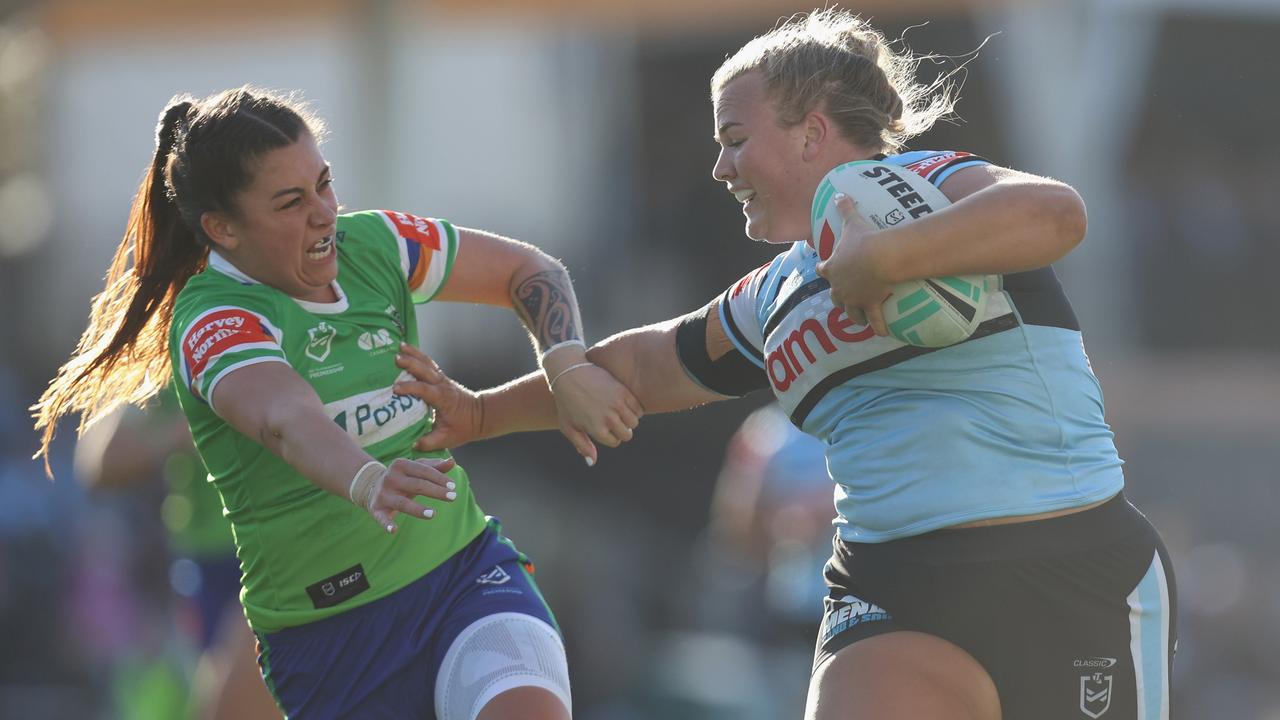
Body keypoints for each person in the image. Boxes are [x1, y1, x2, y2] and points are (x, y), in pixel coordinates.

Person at [390, 9, 1177, 720]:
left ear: (811, 132)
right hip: (890, 585)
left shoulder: (935, 184)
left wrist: (888, 255)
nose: (720, 170)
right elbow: (642, 365)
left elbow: (1058, 212)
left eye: (734, 139)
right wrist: (483, 412)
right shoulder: (774, 291)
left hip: (1065, 567)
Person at [33, 86, 641, 720]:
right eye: (291, 202)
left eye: (323, 184)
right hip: (326, 636)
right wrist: (367, 478)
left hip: (461, 576)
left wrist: (565, 361)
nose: (324, 213)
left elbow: (529, 271)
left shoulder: (374, 244)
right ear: (223, 229)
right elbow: (284, 417)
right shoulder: (211, 314)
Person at [74, 392, 280, 720]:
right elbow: (100, 463)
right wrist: (177, 433)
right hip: (205, 566)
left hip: (276, 553)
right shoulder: (175, 357)